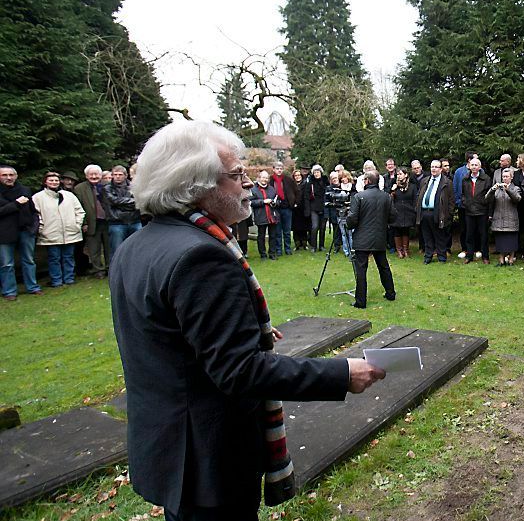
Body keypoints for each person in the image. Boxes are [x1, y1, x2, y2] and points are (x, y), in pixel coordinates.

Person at [110, 120, 385, 519]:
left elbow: (166, 336)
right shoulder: (200, 256)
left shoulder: (138, 245)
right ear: (197, 184)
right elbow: (239, 371)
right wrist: (343, 374)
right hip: (208, 457)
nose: (250, 185)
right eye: (237, 175)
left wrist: (239, 328)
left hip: (167, 445)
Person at [347, 172, 397, 309]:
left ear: (368, 181)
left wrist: (348, 224)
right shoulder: (386, 196)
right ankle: (390, 293)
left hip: (362, 238)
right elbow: (393, 216)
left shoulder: (358, 197)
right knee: (383, 266)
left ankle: (361, 301)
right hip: (380, 237)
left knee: (361, 269)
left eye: (364, 179)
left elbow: (352, 218)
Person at [32, 171, 86, 287]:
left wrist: (76, 225)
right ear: (45, 182)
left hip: (70, 232)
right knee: (54, 258)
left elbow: (80, 211)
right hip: (50, 233)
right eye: (51, 180)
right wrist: (41, 229)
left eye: (56, 180)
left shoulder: (69, 195)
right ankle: (56, 281)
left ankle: (69, 279)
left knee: (68, 257)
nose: (54, 182)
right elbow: (36, 215)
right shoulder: (38, 197)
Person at [0, 166, 41, 300]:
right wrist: (16, 204)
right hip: (5, 233)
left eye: (11, 175)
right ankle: (9, 291)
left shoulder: (24, 190)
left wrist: (34, 227)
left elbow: (33, 211)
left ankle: (33, 287)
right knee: (7, 264)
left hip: (26, 231)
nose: (8, 178)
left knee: (29, 260)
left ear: (16, 176)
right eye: (4, 175)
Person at [74, 164, 110, 278]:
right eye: (91, 174)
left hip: (108, 221)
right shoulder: (79, 188)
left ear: (100, 175)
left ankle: (110, 268)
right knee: (94, 249)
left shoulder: (107, 186)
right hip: (91, 222)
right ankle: (98, 270)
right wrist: (83, 223)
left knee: (110, 247)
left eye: (96, 174)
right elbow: (77, 207)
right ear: (86, 175)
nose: (94, 176)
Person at [416, 160, 454, 264]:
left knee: (439, 236)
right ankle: (428, 257)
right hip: (424, 213)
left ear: (441, 169)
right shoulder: (424, 180)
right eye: (432, 166)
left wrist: (448, 215)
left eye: (436, 167)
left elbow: (451, 201)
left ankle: (442, 257)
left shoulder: (447, 182)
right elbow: (419, 195)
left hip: (438, 213)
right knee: (427, 236)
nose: (433, 169)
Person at [104, 165, 142, 264]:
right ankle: (116, 272)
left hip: (134, 221)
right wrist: (130, 202)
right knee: (117, 250)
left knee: (137, 248)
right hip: (117, 222)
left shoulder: (134, 186)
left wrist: (121, 204)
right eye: (115, 174)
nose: (117, 177)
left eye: (120, 174)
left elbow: (138, 202)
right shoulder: (107, 188)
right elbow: (112, 201)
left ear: (125, 176)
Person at [486, 167, 521, 266]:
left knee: (511, 241)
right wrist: (492, 190)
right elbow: (487, 199)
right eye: (503, 177)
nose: (504, 178)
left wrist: (508, 190)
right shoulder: (497, 189)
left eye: (507, 176)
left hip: (511, 219)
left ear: (511, 178)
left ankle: (511, 260)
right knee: (500, 242)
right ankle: (501, 260)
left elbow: (517, 199)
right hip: (499, 219)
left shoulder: (516, 188)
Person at [461, 157, 491, 264]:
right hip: (469, 211)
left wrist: (483, 203)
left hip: (482, 211)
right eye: (472, 165)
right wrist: (465, 203)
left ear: (480, 167)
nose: (473, 167)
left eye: (476, 165)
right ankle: (469, 256)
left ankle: (485, 256)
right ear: (469, 166)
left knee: (483, 235)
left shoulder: (486, 179)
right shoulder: (465, 179)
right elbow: (463, 194)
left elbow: (489, 195)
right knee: (469, 235)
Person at [250, 171, 278, 260]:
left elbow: (277, 200)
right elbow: (250, 202)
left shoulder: (272, 189)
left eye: (266, 178)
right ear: (259, 178)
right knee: (261, 236)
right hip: (260, 216)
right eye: (263, 177)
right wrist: (263, 202)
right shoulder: (253, 190)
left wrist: (274, 203)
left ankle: (272, 254)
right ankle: (263, 255)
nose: (265, 180)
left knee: (273, 236)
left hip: (272, 216)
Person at [389, 167, 417, 258]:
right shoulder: (394, 186)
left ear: (406, 175)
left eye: (401, 174)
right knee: (397, 230)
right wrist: (393, 190)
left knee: (406, 230)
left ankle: (406, 250)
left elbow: (415, 200)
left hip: (408, 212)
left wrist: (413, 210)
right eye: (397, 174)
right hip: (397, 212)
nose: (399, 176)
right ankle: (399, 251)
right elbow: (389, 199)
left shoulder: (412, 186)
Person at [270, 163, 297, 257]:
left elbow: (296, 191)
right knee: (277, 231)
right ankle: (278, 250)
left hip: (287, 208)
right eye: (277, 168)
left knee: (287, 231)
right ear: (273, 169)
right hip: (275, 209)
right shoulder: (270, 181)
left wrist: (294, 202)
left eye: (281, 168)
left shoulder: (288, 180)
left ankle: (288, 248)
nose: (279, 170)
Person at [328, 170, 356, 258]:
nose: (344, 179)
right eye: (342, 178)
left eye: (345, 177)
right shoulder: (338, 189)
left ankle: (353, 249)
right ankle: (346, 250)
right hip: (340, 213)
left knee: (351, 233)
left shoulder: (353, 187)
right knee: (343, 233)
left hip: (350, 213)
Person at [303, 165, 327, 252]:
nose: (316, 174)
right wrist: (307, 209)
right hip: (314, 207)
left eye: (318, 172)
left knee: (323, 227)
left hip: (324, 207)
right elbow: (306, 196)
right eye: (315, 172)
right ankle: (313, 246)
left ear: (321, 172)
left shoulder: (325, 181)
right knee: (315, 226)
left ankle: (321, 245)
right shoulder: (310, 183)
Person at [290, 169, 310, 250]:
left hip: (303, 208)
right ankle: (297, 244)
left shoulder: (305, 184)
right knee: (295, 228)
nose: (297, 177)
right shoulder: (291, 185)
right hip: (294, 209)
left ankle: (304, 243)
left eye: (299, 175)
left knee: (304, 227)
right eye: (296, 175)